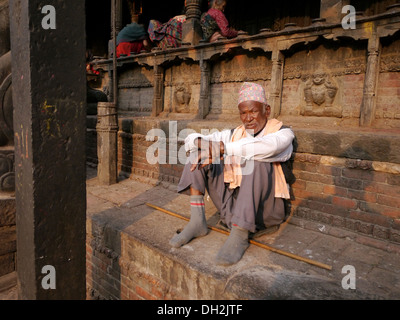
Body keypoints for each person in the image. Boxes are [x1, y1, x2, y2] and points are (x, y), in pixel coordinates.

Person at [169, 82, 295, 266]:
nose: (248, 118)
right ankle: (197, 222)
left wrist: (222, 149)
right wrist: (202, 144)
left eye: (253, 111)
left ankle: (240, 234)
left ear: (266, 110)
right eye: (243, 113)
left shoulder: (282, 133)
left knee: (255, 160)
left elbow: (267, 147)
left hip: (265, 211)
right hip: (232, 205)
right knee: (197, 154)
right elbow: (189, 140)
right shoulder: (235, 133)